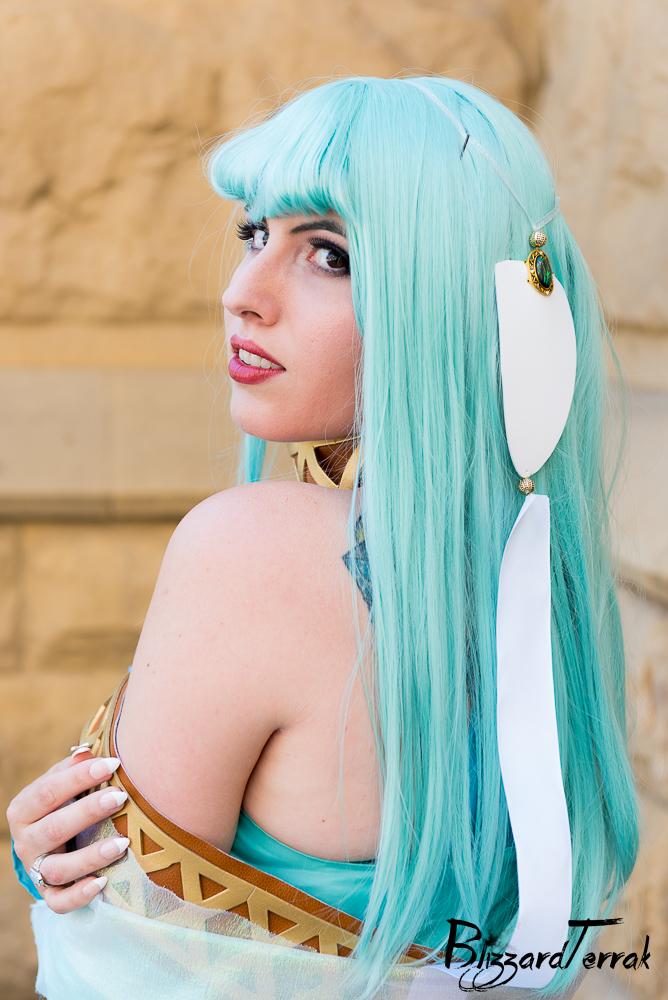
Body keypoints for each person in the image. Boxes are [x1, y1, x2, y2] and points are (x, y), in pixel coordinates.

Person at [8, 76, 638, 998]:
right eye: (254, 235)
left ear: (447, 298)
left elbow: (120, 968)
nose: (243, 294)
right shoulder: (550, 586)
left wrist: (66, 872)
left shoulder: (248, 550)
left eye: (330, 255)